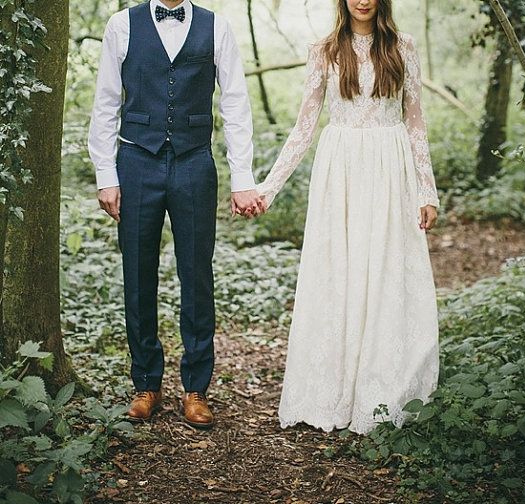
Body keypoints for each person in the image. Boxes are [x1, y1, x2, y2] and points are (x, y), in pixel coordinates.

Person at [256, 0, 440, 434]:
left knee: (386, 270)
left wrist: (426, 189)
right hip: (340, 169)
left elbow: (415, 121)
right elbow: (305, 126)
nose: (362, 0)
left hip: (390, 165)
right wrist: (268, 187)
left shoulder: (403, 46)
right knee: (338, 271)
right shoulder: (323, 49)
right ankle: (330, 388)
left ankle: (382, 389)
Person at [88, 0, 264, 429]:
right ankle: (146, 383)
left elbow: (236, 104)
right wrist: (105, 173)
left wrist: (243, 177)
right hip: (135, 163)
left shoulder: (216, 27)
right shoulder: (121, 25)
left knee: (198, 276)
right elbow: (107, 101)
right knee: (138, 274)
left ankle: (196, 388)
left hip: (194, 163)